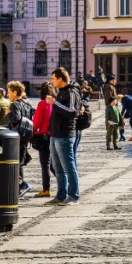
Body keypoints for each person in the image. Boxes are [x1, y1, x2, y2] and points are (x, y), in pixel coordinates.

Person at [47, 67, 81, 205]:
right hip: (55, 135)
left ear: (60, 79)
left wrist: (54, 103)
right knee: (57, 168)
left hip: (65, 135)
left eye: (53, 78)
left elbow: (73, 112)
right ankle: (61, 195)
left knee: (69, 167)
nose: (52, 81)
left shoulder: (72, 92)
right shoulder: (61, 92)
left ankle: (74, 196)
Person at [4, 81, 33, 197]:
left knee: (12, 163)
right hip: (25, 136)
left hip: (16, 137)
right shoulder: (27, 103)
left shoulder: (14, 104)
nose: (7, 94)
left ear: (15, 92)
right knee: (19, 163)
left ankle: (22, 184)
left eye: (9, 92)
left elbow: (16, 119)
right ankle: (19, 189)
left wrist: (8, 113)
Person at [31, 83, 53, 197]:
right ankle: (66, 185)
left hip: (43, 136)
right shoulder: (54, 103)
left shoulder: (42, 103)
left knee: (45, 164)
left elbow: (37, 122)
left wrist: (32, 130)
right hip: (53, 136)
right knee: (53, 164)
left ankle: (46, 189)